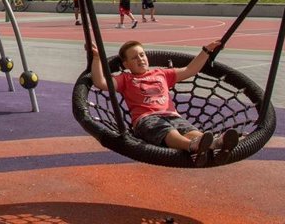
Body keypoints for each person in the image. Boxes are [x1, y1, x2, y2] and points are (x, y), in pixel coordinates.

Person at [89, 39, 239, 167]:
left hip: (172, 115)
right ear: (126, 64)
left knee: (190, 131)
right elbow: (101, 83)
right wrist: (96, 59)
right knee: (168, 131)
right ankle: (191, 146)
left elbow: (190, 70)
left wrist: (206, 51)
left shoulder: (161, 74)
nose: (140, 59)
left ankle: (215, 144)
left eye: (142, 55)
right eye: (134, 58)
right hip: (146, 119)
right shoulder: (126, 79)